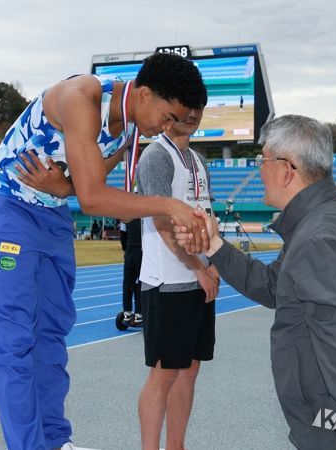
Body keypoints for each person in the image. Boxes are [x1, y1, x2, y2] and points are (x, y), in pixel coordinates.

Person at [0, 52, 209, 450]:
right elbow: (94, 198)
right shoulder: (81, 98)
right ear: (144, 94)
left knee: (51, 334)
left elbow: (83, 186)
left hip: (51, 214)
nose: (166, 128)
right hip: (6, 207)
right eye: (168, 117)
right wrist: (168, 205)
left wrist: (64, 188)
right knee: (15, 341)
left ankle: (55, 440)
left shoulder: (129, 128)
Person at [176, 115, 336, 450]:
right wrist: (214, 246)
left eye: (263, 160)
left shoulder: (318, 238)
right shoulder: (332, 216)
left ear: (286, 170)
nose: (259, 170)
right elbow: (275, 286)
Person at [136, 108, 219, 450]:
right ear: (168, 113)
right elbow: (162, 223)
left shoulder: (198, 161)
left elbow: (209, 216)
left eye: (198, 108)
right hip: (167, 281)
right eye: (185, 108)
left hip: (199, 280)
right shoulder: (156, 156)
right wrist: (198, 268)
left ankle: (176, 445)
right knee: (165, 372)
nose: (193, 115)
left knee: (190, 369)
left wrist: (212, 262)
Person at [120, 217, 143, 326]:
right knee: (141, 284)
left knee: (127, 284)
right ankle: (139, 315)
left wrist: (125, 249)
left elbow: (123, 235)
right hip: (141, 252)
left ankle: (127, 313)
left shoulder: (125, 216)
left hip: (129, 251)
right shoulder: (145, 216)